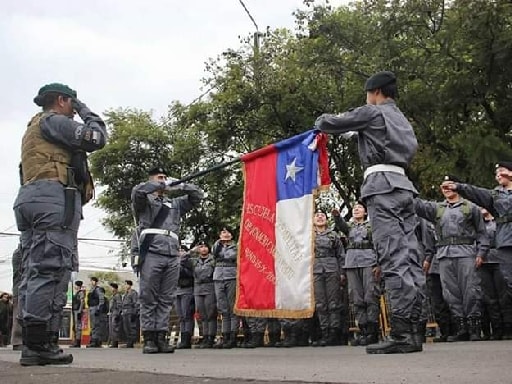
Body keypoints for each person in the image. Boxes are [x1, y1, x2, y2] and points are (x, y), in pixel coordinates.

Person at [315, 71, 423, 354]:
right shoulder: (401, 119)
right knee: (410, 257)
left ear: (374, 92)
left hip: (382, 187)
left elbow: (331, 123)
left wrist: (320, 122)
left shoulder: (372, 112)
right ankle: (413, 329)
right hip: (404, 187)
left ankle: (401, 334)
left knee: (393, 257)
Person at [13, 83, 107, 365]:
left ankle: (39, 341)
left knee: (35, 269)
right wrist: (86, 111)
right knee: (51, 268)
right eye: (73, 105)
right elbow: (96, 138)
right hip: (52, 197)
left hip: (32, 197)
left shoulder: (34, 126)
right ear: (63, 100)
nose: (74, 111)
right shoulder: (54, 120)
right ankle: (38, 345)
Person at [131, 167, 204, 354]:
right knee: (149, 297)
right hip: (152, 253)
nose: (164, 180)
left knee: (166, 298)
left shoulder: (175, 204)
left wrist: (181, 184)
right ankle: (149, 337)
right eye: (159, 177)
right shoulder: (144, 201)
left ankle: (161, 337)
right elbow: (137, 191)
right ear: (151, 180)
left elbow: (197, 196)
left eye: (165, 177)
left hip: (172, 254)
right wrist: (158, 185)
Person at [414, 175, 488, 342]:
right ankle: (460, 328)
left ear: (457, 186)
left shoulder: (471, 208)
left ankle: (474, 328)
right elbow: (417, 205)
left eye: (449, 185)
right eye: (443, 186)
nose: (446, 188)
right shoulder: (437, 209)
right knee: (450, 294)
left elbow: (482, 233)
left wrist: (481, 253)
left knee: (470, 291)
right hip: (444, 255)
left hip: (466, 253)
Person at [444, 162, 512, 339]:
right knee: (509, 285)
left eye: (502, 171)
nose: (498, 174)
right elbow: (476, 192)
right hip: (505, 243)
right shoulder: (494, 195)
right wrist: (458, 186)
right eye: (496, 172)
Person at [333, 202, 380, 346]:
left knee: (370, 296)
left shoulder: (372, 226)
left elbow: (379, 244)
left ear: (365, 212)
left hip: (368, 263)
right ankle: (363, 330)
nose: (356, 210)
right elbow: (342, 226)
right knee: (356, 297)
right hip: (352, 264)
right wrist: (336, 216)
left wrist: (379, 264)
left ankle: (373, 331)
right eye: (354, 208)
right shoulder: (350, 227)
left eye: (359, 208)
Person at [311, 209, 344, 347]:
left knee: (333, 303)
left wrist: (342, 272)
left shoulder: (333, 235)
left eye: (322, 215)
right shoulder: (308, 236)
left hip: (332, 269)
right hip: (315, 270)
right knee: (320, 304)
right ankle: (324, 332)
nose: (319, 217)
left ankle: (334, 333)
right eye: (317, 215)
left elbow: (341, 254)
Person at [479, 208, 505, 340]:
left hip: (500, 259)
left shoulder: (499, 221)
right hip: (482, 263)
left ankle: (507, 329)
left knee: (504, 296)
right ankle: (496, 330)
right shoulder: (477, 224)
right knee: (489, 298)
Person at [212, 227, 239, 349]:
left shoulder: (236, 246)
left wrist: (224, 253)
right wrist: (220, 241)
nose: (225, 234)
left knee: (232, 307)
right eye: (223, 232)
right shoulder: (217, 245)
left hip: (231, 276)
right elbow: (215, 253)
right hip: (218, 277)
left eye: (227, 232)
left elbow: (231, 256)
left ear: (232, 235)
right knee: (223, 308)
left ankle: (233, 336)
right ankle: (225, 336)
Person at [191, 241, 217, 349]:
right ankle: (205, 337)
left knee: (210, 313)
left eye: (205, 246)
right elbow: (182, 260)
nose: (203, 249)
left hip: (209, 287)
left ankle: (211, 337)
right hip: (198, 288)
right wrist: (192, 251)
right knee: (202, 315)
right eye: (201, 246)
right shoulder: (194, 260)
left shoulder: (213, 259)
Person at [175, 245, 195, 349]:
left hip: (187, 289)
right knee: (181, 316)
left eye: (182, 250)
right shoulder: (175, 262)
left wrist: (180, 265)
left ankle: (187, 340)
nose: (180, 252)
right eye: (178, 250)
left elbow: (189, 274)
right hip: (177, 290)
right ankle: (182, 338)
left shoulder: (189, 262)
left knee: (187, 315)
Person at [87, 277, 107, 348]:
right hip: (91, 308)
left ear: (96, 282)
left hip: (95, 308)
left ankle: (95, 341)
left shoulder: (98, 289)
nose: (92, 282)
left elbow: (101, 299)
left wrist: (99, 309)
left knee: (96, 325)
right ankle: (94, 340)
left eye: (93, 281)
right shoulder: (91, 289)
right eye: (91, 281)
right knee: (93, 325)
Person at [10, 246, 23, 350]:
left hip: (24, 289)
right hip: (20, 289)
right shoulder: (19, 253)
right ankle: (17, 341)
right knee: (18, 314)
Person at [121, 280, 139, 348]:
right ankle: (128, 340)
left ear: (129, 285)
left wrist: (135, 312)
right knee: (126, 328)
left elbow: (136, 303)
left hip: (130, 311)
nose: (125, 286)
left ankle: (131, 341)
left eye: (126, 284)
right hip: (125, 312)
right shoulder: (125, 294)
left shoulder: (133, 293)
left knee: (131, 327)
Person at [69, 281, 85, 348]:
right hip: (75, 310)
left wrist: (79, 311)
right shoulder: (77, 293)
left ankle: (78, 342)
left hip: (77, 311)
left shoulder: (81, 293)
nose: (75, 287)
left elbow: (82, 302)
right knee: (75, 327)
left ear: (78, 286)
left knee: (78, 327)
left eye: (76, 285)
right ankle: (76, 341)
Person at [108, 283, 122, 348]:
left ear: (114, 288)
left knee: (115, 328)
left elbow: (119, 305)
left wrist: (118, 314)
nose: (111, 289)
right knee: (111, 328)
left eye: (112, 287)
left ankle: (115, 342)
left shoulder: (117, 295)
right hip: (112, 312)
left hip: (115, 312)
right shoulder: (113, 296)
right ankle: (113, 342)